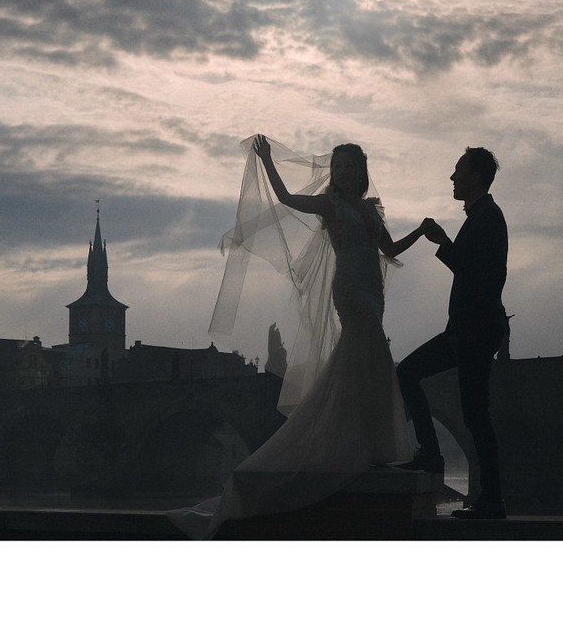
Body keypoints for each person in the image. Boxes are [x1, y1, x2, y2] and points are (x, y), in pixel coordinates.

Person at [167, 135, 430, 539]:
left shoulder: (370, 208)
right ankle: (360, 443)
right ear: (333, 172)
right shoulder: (330, 205)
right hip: (350, 289)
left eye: (351, 166)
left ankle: (367, 444)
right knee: (365, 353)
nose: (344, 171)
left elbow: (390, 248)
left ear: (362, 172)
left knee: (367, 361)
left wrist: (422, 231)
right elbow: (288, 199)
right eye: (339, 165)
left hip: (371, 290)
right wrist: (269, 160)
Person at [395, 147, 508, 520]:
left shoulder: (488, 217)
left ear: (474, 177)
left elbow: (479, 276)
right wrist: (447, 243)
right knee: (408, 373)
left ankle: (491, 500)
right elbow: (474, 269)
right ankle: (430, 454)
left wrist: (443, 243)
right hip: (465, 330)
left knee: (475, 414)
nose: (452, 177)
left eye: (457, 170)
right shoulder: (480, 216)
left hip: (474, 332)